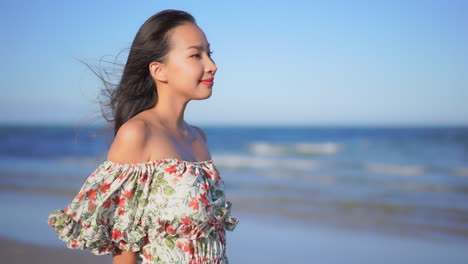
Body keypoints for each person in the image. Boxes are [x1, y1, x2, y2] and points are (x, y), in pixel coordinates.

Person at [47, 9, 239, 264]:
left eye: (209, 54)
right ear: (159, 70)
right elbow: (125, 250)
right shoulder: (137, 134)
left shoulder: (198, 138)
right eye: (196, 55)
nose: (212, 66)